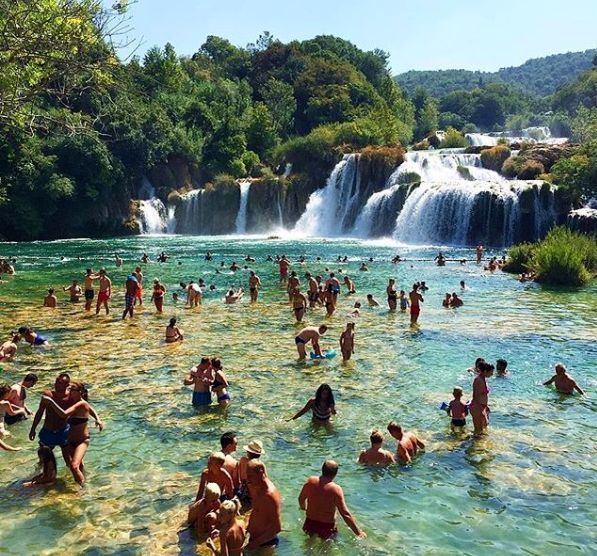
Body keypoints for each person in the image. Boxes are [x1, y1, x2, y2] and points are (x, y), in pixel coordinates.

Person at [42, 382, 104, 486]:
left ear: (79, 392)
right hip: (69, 440)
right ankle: (83, 479)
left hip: (82, 440)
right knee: (74, 465)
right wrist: (98, 419)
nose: (69, 391)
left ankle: (83, 489)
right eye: (69, 389)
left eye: (72, 390)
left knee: (74, 466)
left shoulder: (81, 404)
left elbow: (64, 414)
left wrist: (51, 402)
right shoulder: (72, 402)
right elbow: (90, 409)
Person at [299, 460, 366, 540]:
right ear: (335, 474)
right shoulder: (335, 489)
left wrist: (303, 508)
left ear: (322, 469)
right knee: (327, 550)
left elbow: (301, 499)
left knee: (307, 546)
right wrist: (359, 533)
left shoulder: (310, 481)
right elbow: (345, 514)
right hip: (327, 527)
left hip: (309, 523)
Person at [29, 373, 73, 466]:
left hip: (63, 432)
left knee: (68, 460)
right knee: (43, 460)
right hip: (48, 431)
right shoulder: (48, 395)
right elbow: (40, 412)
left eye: (60, 383)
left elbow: (80, 409)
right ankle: (40, 476)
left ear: (67, 385)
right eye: (56, 381)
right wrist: (33, 429)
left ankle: (72, 478)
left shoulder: (70, 397)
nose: (57, 384)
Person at [245, 460, 282, 550]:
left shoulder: (269, 495)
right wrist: (247, 530)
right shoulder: (257, 487)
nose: (248, 479)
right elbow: (255, 511)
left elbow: (277, 527)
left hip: (266, 544)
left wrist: (255, 543)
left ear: (260, 473)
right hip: (254, 540)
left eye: (250, 476)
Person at [238, 440, 265, 505]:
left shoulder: (243, 459)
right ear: (259, 455)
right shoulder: (260, 465)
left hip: (242, 491)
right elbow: (264, 481)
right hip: (252, 495)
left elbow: (240, 475)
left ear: (248, 452)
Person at [470, 362, 494, 435]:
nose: (492, 374)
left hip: (482, 406)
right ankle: (476, 446)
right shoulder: (478, 380)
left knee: (483, 428)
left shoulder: (483, 379)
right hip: (477, 407)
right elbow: (476, 396)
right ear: (485, 371)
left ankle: (480, 445)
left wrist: (486, 407)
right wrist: (481, 410)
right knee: (479, 431)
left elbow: (483, 396)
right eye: (491, 372)